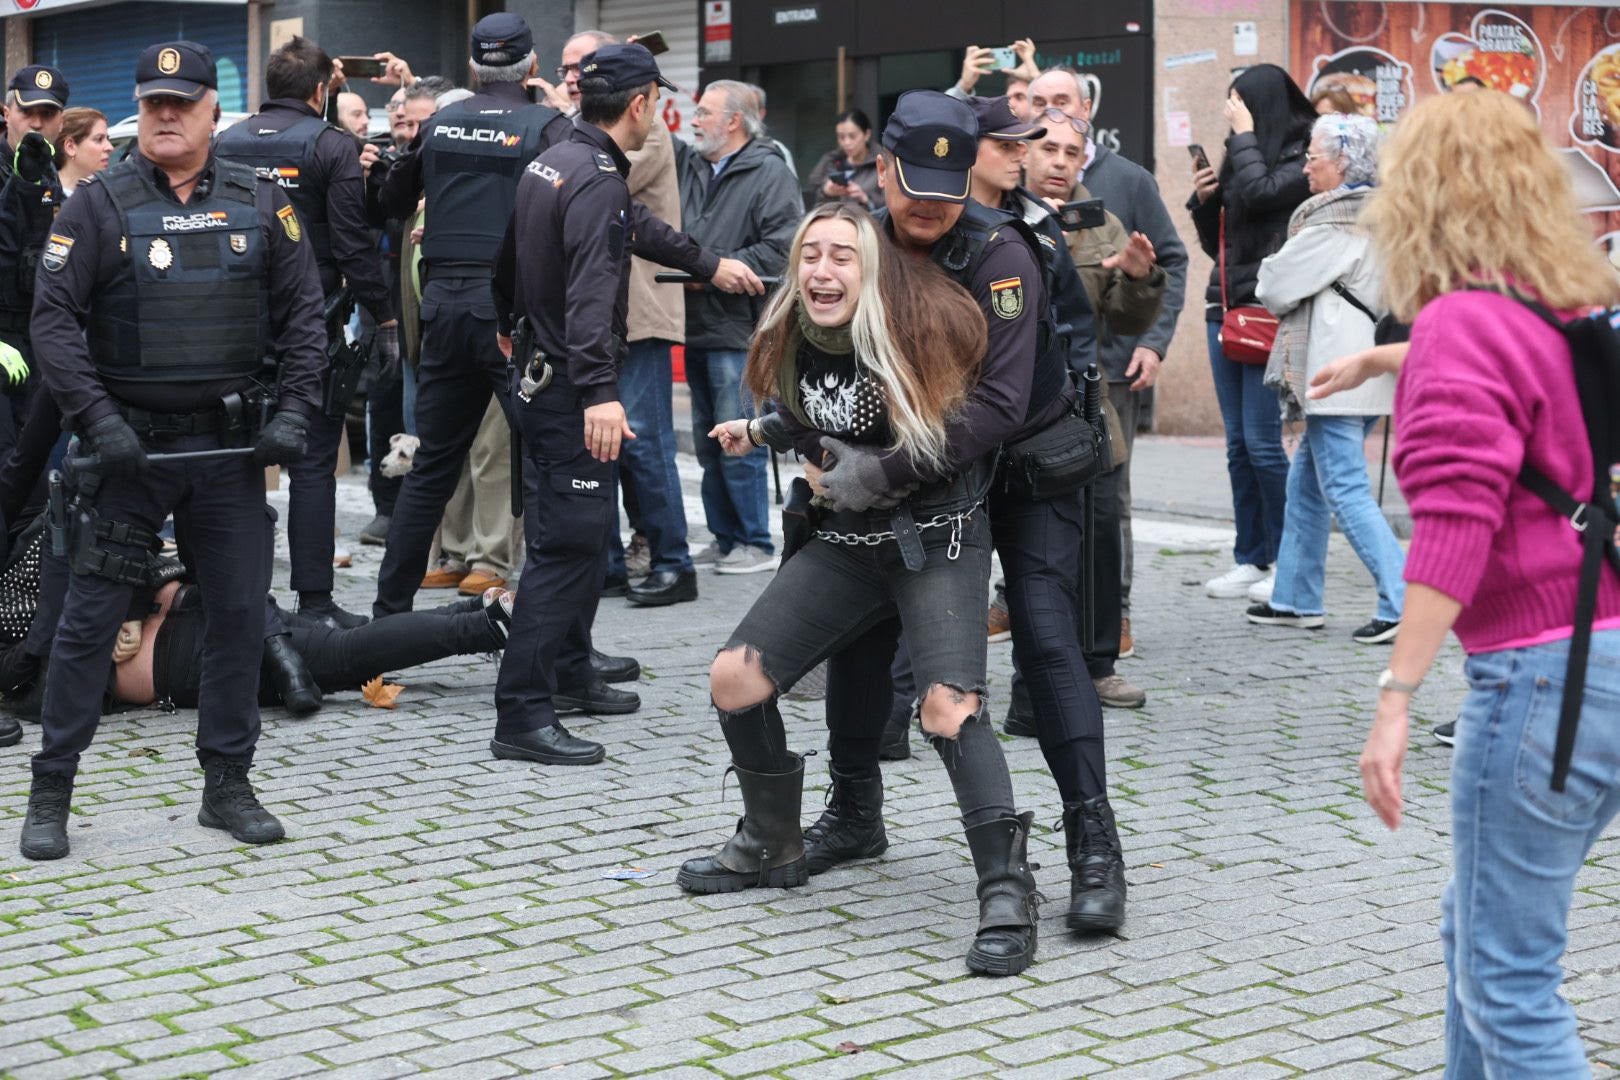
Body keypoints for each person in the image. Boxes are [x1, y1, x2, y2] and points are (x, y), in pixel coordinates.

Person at [684, 196, 1044, 977]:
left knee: (948, 709)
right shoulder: (791, 333)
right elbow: (801, 418)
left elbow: (968, 433)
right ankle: (769, 840)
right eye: (812, 254)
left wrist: (878, 470)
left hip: (936, 538)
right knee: (735, 676)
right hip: (846, 542)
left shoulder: (923, 330)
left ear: (871, 268)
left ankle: (1008, 890)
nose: (823, 269)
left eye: (843, 255)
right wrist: (794, 441)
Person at [1355, 89, 1620, 1076]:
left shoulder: (1466, 324)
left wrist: (1397, 699)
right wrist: (1394, 354)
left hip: (1541, 681)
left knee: (1510, 987)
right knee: (1478, 943)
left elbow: (1457, 530)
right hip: (1605, 655)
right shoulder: (1570, 311)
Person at [17, 40, 326, 861]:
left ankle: (227, 782)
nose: (162, 113)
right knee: (86, 626)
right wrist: (97, 420)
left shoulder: (262, 201)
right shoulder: (97, 204)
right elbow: (51, 320)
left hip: (226, 454)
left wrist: (295, 412)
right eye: (152, 101)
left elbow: (305, 317)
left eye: (179, 102)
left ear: (210, 114)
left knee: (236, 618)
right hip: (128, 458)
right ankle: (52, 790)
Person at [490, 43, 760, 767]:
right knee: (567, 547)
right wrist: (601, 395)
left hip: (543, 375)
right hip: (572, 392)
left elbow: (527, 249)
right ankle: (522, 713)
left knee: (573, 540)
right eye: (657, 102)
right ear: (640, 104)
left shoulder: (559, 157)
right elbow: (587, 294)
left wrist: (709, 263)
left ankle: (571, 673)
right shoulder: (597, 177)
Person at [371, 14, 572, 619]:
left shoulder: (439, 126)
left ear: (474, 70)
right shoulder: (550, 127)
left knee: (432, 465)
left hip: (445, 313)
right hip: (511, 320)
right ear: (533, 68)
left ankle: (385, 621)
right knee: (543, 466)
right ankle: (550, 633)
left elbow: (391, 201)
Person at [216, 36, 400, 630]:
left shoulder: (225, 142)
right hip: (308, 321)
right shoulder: (332, 144)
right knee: (313, 463)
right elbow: (352, 243)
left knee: (234, 460)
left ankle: (229, 597)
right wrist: (386, 313)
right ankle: (315, 604)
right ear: (322, 92)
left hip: (233, 323)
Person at [1027, 67, 1188, 664]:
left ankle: (1103, 634)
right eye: (1040, 115)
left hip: (1097, 383)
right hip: (1010, 399)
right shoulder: (996, 209)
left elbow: (1131, 302)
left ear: (1087, 112)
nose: (1060, 157)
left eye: (1069, 146)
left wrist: (1144, 289)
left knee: (1101, 509)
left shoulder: (1113, 198)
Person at [1248, 113, 1404, 641]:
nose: (1305, 166)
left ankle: (1402, 598)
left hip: (1337, 371)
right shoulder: (1376, 215)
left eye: (1312, 157)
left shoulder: (1334, 221)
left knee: (1344, 487)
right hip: (1357, 368)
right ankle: (1296, 597)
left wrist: (1273, 268)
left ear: (1342, 164)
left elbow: (1273, 285)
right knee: (1308, 484)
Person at [1187, 63, 1314, 602]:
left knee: (1265, 445)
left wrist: (1241, 139)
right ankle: (1250, 556)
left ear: (1263, 105)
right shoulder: (1245, 155)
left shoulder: (1300, 156)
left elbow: (1264, 195)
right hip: (1226, 306)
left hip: (1268, 312)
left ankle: (1289, 560)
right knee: (1238, 446)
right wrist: (1206, 200)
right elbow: (1222, 243)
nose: (1230, 111)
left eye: (1239, 102)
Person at [680, 80, 802, 574]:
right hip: (694, 324)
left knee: (743, 439)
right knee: (709, 441)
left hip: (739, 330)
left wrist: (710, 268)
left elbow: (782, 246)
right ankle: (724, 535)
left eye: (704, 112)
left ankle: (755, 541)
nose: (694, 119)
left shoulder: (770, 171)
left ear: (733, 121)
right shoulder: (691, 165)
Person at [0, 66, 68, 466]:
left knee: (36, 475)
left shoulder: (48, 175)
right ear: (6, 113)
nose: (37, 122)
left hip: (38, 341)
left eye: (48, 113)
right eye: (27, 111)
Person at [805, 109, 883, 211]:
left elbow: (891, 204)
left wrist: (866, 199)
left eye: (852, 136)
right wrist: (826, 192)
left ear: (867, 134)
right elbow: (809, 199)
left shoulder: (882, 162)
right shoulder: (830, 161)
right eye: (841, 137)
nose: (846, 142)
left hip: (868, 223)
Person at [948, 39, 1041, 119]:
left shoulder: (1050, 131)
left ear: (1039, 102)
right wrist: (964, 85)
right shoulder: (996, 135)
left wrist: (1036, 77)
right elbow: (944, 115)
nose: (1011, 104)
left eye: (1019, 97)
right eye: (1008, 98)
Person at [53, 107, 112, 195]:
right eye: (99, 139)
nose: (110, 147)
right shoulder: (41, 198)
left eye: (107, 139)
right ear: (70, 147)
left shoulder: (109, 194)